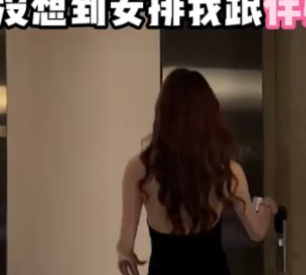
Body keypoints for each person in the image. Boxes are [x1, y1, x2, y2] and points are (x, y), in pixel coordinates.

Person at [117, 68, 277, 275]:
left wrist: (125, 255)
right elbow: (256, 232)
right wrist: (266, 208)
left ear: (163, 114)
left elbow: (126, 244)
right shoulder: (227, 170)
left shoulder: (140, 169)